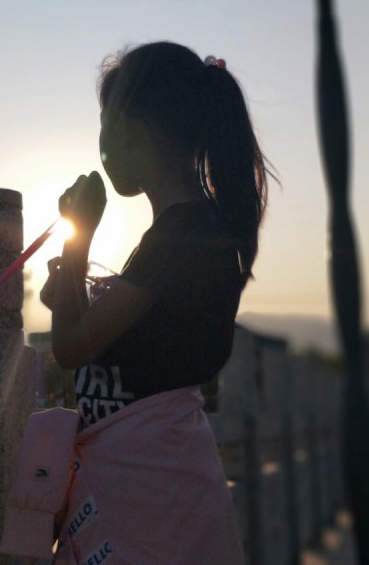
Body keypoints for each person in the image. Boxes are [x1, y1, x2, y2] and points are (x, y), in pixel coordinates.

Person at [40, 41, 270, 564]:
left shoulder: (183, 235)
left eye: (104, 125)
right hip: (157, 486)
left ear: (127, 130)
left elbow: (72, 349)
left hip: (153, 497)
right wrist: (71, 289)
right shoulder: (187, 230)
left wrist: (78, 237)